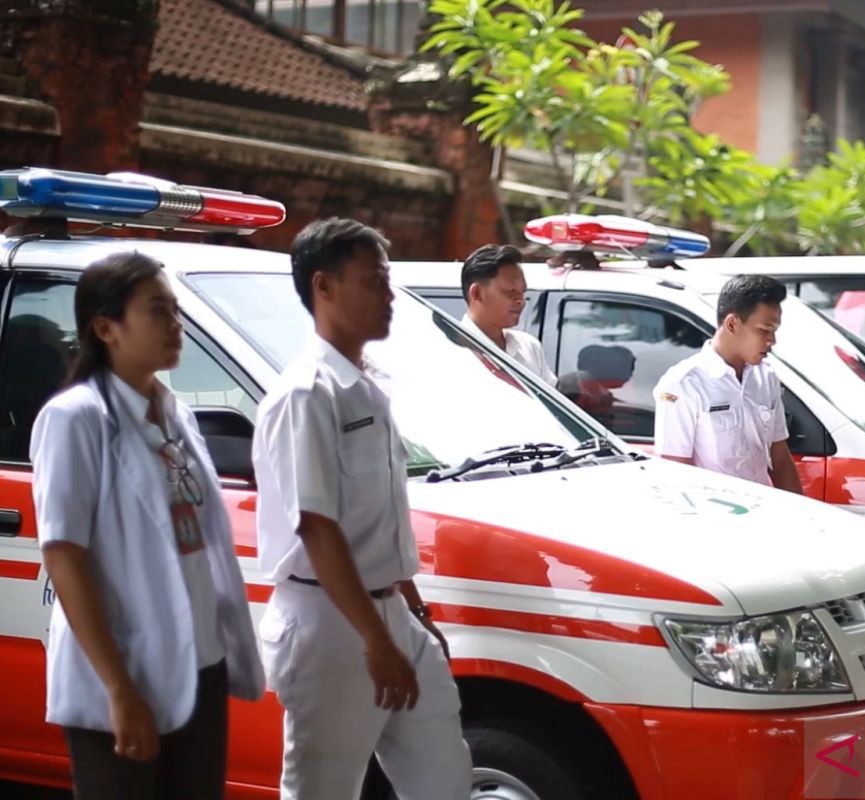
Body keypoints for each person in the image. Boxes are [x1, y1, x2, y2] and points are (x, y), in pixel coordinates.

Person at [30, 252, 264, 800]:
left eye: (176, 310)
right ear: (106, 328)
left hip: (198, 664)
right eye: (158, 310)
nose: (176, 325)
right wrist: (118, 687)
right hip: (127, 670)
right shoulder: (76, 419)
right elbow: (64, 555)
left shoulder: (174, 411)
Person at [253, 218, 471, 799]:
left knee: (445, 779)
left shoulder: (365, 386)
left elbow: (378, 521)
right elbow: (317, 526)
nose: (389, 296)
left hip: (390, 614)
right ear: (324, 287)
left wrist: (413, 616)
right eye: (373, 282)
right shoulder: (306, 394)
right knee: (323, 789)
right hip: (332, 624)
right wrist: (376, 641)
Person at [652, 274, 803, 494]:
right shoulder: (683, 384)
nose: (772, 341)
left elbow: (779, 457)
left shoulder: (765, 377)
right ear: (732, 323)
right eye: (764, 330)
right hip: (716, 518)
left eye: (774, 331)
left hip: (764, 511)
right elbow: (675, 474)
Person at [459, 243, 556, 384]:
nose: (521, 301)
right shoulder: (451, 353)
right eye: (511, 292)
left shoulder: (529, 347)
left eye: (523, 292)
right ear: (477, 293)